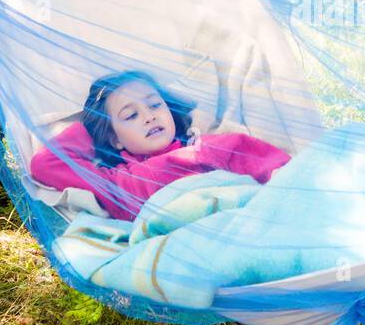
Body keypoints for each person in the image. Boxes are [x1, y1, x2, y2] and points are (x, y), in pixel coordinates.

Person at [30, 69, 290, 221]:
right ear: (114, 138)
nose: (149, 116)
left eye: (155, 105)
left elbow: (276, 169)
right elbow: (46, 163)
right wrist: (91, 129)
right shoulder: (115, 183)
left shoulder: (204, 149)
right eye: (131, 115)